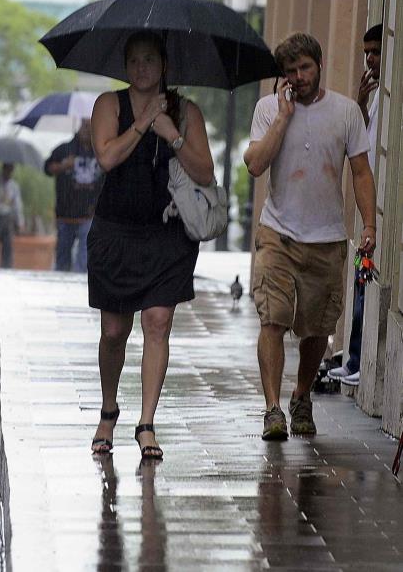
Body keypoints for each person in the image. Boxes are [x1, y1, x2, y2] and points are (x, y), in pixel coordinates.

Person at [87, 31, 215, 461]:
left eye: (150, 61)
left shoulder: (186, 111)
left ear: (164, 66)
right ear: (126, 68)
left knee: (157, 322)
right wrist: (143, 125)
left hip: (167, 235)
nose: (142, 69)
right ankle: (109, 409)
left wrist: (173, 135)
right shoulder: (110, 105)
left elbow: (205, 172)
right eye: (135, 61)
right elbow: (106, 157)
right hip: (116, 232)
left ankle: (146, 423)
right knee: (113, 332)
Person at [244, 32, 376, 441]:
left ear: (319, 65)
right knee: (273, 318)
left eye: (305, 68)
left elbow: (360, 171)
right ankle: (272, 410)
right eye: (290, 72)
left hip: (327, 238)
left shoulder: (345, 112)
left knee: (317, 328)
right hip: (278, 233)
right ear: (282, 77)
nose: (299, 77)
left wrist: (369, 224)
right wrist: (283, 118)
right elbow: (254, 165)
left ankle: (301, 396)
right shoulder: (268, 109)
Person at [327, 23, 382, 388]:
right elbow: (361, 139)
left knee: (367, 279)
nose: (369, 59)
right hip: (369, 202)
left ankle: (360, 357)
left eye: (375, 51)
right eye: (366, 52)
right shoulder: (376, 92)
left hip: (379, 202)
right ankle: (355, 357)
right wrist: (361, 102)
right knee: (362, 280)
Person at [44, 118, 103, 272]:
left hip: (89, 214)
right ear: (79, 127)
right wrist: (64, 165)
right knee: (63, 258)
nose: (87, 130)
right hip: (66, 214)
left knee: (83, 259)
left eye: (91, 127)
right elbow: (47, 168)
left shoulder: (100, 151)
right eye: (84, 126)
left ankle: (79, 286)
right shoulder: (64, 149)